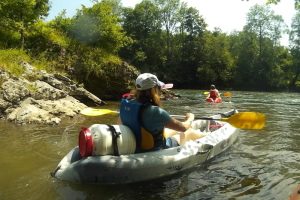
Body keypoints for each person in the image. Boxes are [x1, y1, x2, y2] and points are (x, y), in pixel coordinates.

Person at [119, 73, 204, 152]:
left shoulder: (125, 104)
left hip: (135, 144)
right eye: (159, 88)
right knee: (189, 132)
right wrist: (190, 118)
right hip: (155, 149)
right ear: (154, 90)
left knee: (169, 130)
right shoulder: (156, 112)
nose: (160, 91)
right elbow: (183, 128)